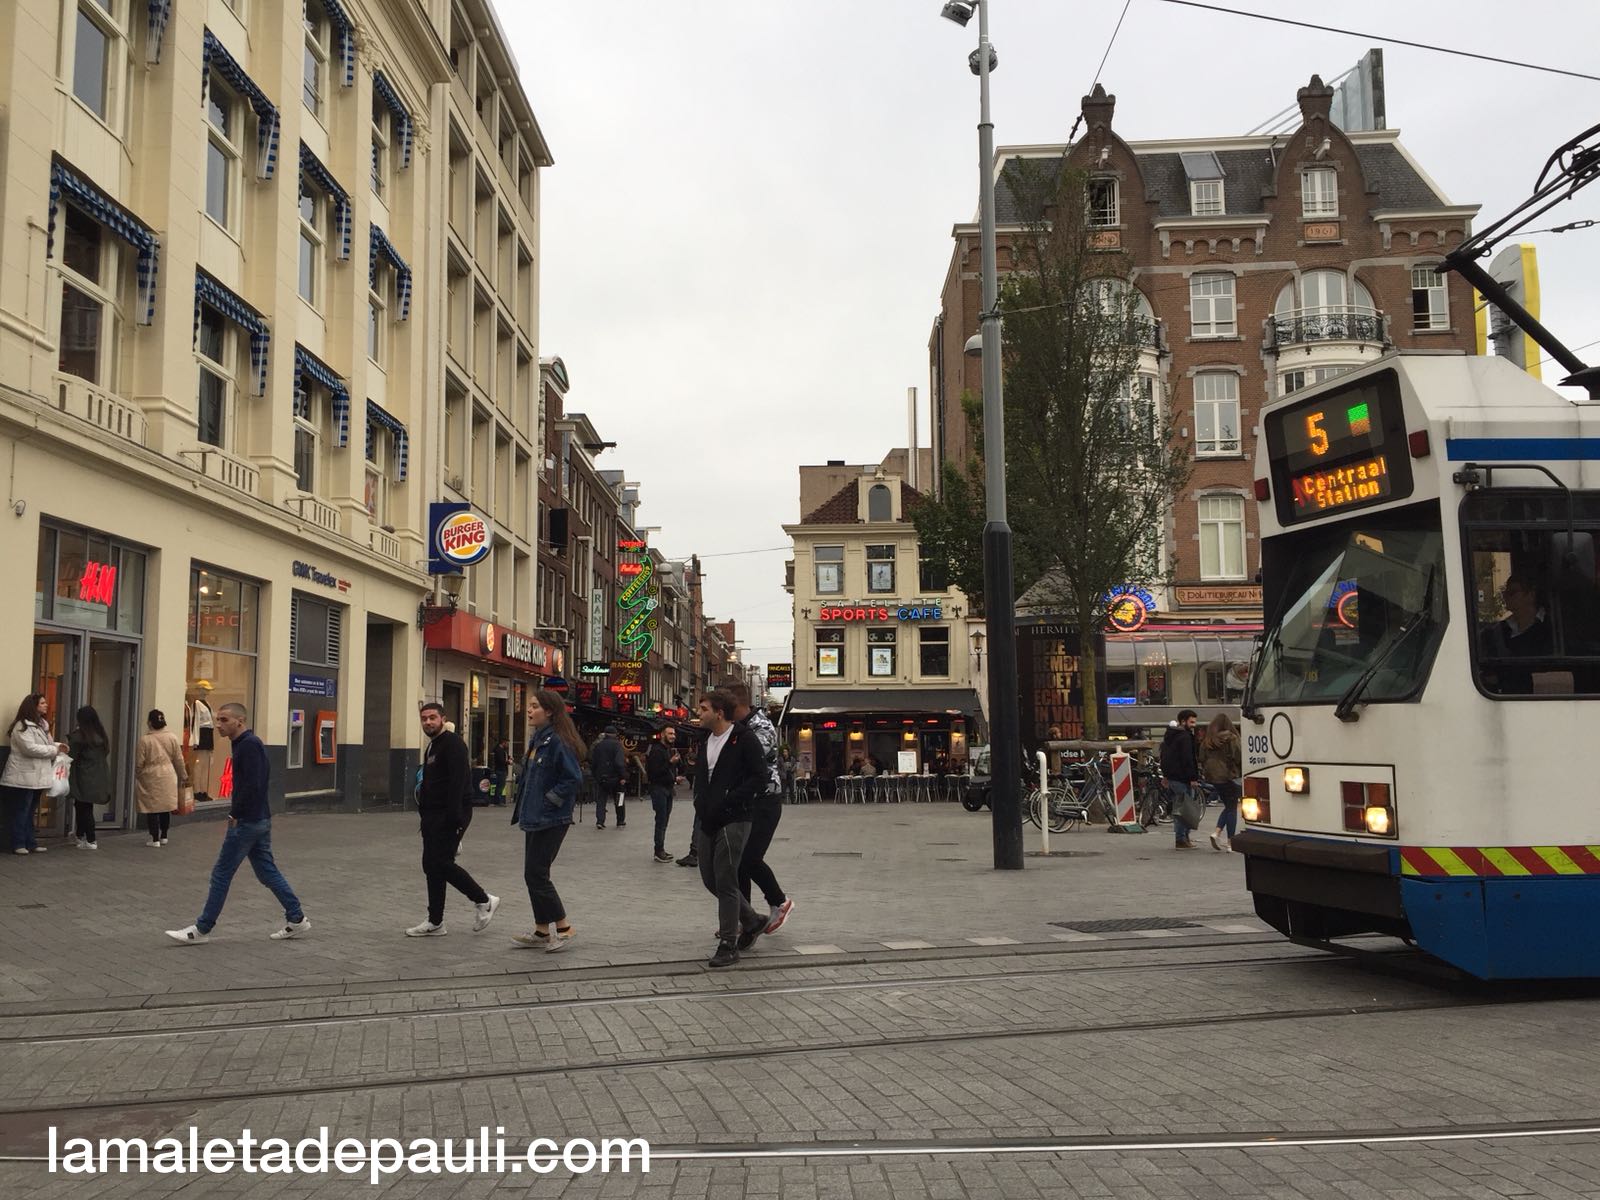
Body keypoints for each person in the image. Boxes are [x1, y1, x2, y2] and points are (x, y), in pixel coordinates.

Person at [165, 703, 309, 944]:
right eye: (217, 719)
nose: (218, 725)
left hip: (247, 822)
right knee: (267, 872)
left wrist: (236, 814)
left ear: (239, 721)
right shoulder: (245, 744)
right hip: (258, 819)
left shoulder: (249, 745)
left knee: (221, 874)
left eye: (224, 720)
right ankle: (297, 918)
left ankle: (201, 930)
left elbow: (253, 785)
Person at [692, 690, 769, 969]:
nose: (698, 713)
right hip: (707, 818)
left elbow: (760, 778)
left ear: (719, 713)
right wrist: (700, 802)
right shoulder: (705, 740)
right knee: (710, 878)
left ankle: (728, 944)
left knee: (725, 879)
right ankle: (752, 920)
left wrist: (730, 800)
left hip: (735, 817)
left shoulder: (744, 738)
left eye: (703, 709)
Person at [408, 702, 497, 937]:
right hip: (432, 815)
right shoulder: (433, 745)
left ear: (443, 719)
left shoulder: (453, 744)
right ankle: (435, 921)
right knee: (431, 865)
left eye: (432, 717)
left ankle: (484, 900)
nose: (428, 722)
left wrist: (454, 820)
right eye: (424, 718)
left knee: (441, 863)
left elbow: (458, 783)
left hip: (449, 814)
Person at [511, 689, 585, 951]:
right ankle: (542, 930)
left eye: (535, 706)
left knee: (537, 874)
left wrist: (549, 800)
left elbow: (573, 778)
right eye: (529, 706)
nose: (529, 710)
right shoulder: (538, 738)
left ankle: (564, 927)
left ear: (550, 711)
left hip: (551, 818)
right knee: (532, 874)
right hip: (534, 816)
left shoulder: (557, 741)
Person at [728, 683, 795, 935]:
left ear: (737, 705)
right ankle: (745, 917)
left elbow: (747, 758)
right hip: (748, 801)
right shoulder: (739, 727)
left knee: (750, 858)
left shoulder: (761, 727)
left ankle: (780, 902)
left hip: (766, 801)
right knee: (738, 862)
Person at [2, 693, 67, 855]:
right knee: (22, 810)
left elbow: (48, 745)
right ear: (33, 706)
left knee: (31, 811)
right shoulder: (22, 726)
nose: (46, 705)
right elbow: (29, 748)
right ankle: (18, 843)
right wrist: (53, 750)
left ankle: (31, 842)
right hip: (23, 776)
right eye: (42, 703)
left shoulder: (42, 725)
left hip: (37, 775)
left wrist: (58, 746)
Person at [1480, 573, 1554, 693]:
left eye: (1512, 592)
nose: (1505, 597)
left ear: (1531, 595)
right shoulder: (1495, 632)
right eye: (1505, 593)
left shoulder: (1552, 629)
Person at [135, 709, 187, 847]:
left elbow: (139, 762)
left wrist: (139, 774)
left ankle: (154, 838)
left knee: (152, 807)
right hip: (168, 773)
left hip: (150, 774)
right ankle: (164, 835)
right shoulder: (172, 737)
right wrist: (183, 775)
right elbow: (179, 759)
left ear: (149, 723)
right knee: (165, 806)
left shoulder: (145, 740)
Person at [67, 705, 112, 850]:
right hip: (98, 775)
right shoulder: (101, 736)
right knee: (85, 806)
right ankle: (80, 835)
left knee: (83, 807)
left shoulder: (79, 737)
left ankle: (91, 839)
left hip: (83, 776)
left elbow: (71, 756)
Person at [1198, 713, 1242, 852]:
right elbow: (1238, 756)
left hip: (1214, 778)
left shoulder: (1208, 740)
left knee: (1228, 806)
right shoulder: (1232, 738)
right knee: (1232, 808)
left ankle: (1217, 832)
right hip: (1229, 776)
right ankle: (1230, 842)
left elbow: (1201, 758)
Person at [1159, 709, 1201, 850]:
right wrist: (1193, 777)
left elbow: (1164, 757)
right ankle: (1181, 839)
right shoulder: (1185, 737)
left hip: (1173, 777)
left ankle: (1183, 838)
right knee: (1184, 810)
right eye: (1191, 722)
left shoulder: (1170, 736)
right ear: (1183, 721)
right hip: (1182, 778)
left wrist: (1166, 775)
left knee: (1179, 808)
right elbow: (1188, 759)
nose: (1194, 725)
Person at [645, 726, 681, 863]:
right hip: (659, 788)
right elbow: (654, 772)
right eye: (670, 733)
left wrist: (675, 777)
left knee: (665, 820)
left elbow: (669, 771)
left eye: (674, 734)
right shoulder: (656, 751)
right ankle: (658, 851)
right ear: (662, 735)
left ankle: (661, 848)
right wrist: (670, 762)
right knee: (661, 820)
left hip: (668, 788)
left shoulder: (668, 750)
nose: (673, 736)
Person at [590, 725, 626, 829]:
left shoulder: (598, 745)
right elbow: (619, 762)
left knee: (601, 799)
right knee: (619, 798)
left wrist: (596, 775)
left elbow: (593, 762)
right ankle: (620, 821)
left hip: (602, 777)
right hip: (616, 777)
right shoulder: (617, 745)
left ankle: (600, 821)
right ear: (615, 734)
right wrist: (623, 776)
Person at [489, 739, 511, 806]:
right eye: (507, 743)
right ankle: (498, 801)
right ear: (503, 743)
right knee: (500, 786)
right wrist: (508, 762)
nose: (508, 745)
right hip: (500, 770)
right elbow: (501, 761)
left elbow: (504, 758)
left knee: (500, 785)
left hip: (501, 770)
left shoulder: (502, 750)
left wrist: (509, 758)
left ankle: (497, 800)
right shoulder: (499, 750)